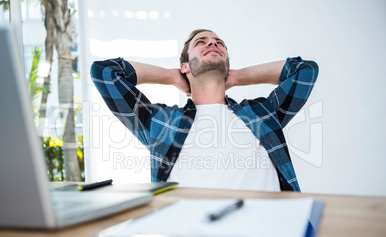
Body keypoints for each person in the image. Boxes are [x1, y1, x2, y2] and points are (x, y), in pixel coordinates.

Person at [91, 29, 319, 192]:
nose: (213, 44)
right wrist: (171, 76)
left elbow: (305, 71)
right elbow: (104, 73)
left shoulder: (262, 113)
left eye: (219, 43)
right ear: (185, 67)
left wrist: (237, 77)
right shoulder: (161, 122)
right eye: (201, 42)